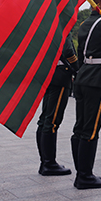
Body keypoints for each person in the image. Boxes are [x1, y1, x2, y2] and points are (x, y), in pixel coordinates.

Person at [71, 0, 101, 189]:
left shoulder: (85, 24)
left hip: (82, 77)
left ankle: (81, 172)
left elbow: (80, 55)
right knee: (91, 129)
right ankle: (85, 176)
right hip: (97, 79)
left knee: (80, 128)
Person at [36, 33, 78, 176]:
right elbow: (68, 51)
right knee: (52, 121)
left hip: (49, 73)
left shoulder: (48, 24)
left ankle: (45, 162)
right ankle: (49, 163)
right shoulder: (61, 24)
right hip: (60, 74)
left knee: (45, 119)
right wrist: (76, 67)